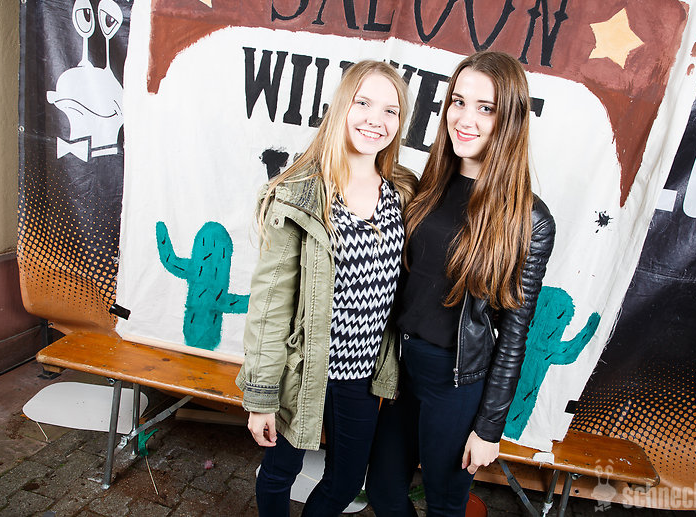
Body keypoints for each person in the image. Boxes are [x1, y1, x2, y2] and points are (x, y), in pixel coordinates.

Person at [365, 50, 556, 516]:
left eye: (485, 108)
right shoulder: (427, 186)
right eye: (458, 101)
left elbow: (514, 335)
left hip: (455, 382)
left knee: (445, 505)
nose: (465, 119)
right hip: (402, 367)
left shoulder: (529, 220)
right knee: (385, 493)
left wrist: (489, 427)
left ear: (509, 119)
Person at [235, 60, 417, 517]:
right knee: (280, 471)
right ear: (341, 107)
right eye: (363, 103)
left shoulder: (403, 193)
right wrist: (261, 396)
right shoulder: (299, 194)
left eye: (390, 110)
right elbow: (270, 305)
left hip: (360, 374)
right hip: (302, 370)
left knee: (347, 481)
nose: (376, 119)